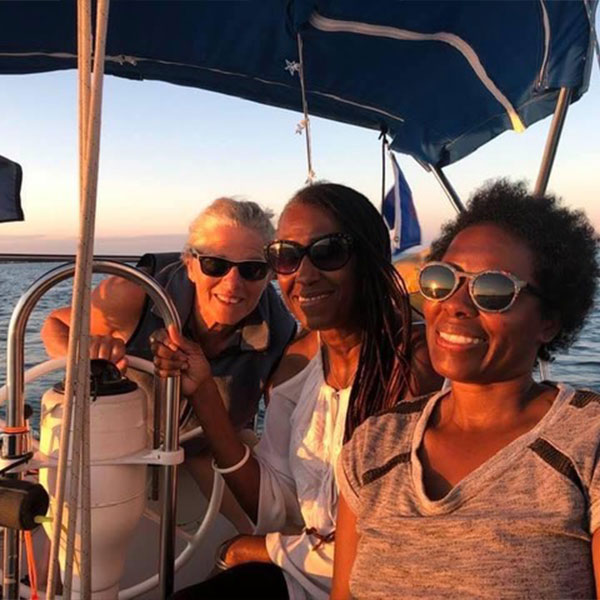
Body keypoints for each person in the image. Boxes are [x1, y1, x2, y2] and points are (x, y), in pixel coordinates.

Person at [152, 182, 442, 599]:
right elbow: (275, 505)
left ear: (370, 258)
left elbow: (399, 539)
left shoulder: (417, 362)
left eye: (328, 252)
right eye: (285, 256)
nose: (303, 274)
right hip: (303, 575)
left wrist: (266, 548)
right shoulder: (295, 367)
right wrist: (203, 392)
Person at [332, 179, 600, 599]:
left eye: (493, 290)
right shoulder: (375, 444)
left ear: (548, 321)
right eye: (443, 279)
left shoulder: (588, 443)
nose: (455, 303)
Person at [41, 197, 297, 532]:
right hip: (124, 447)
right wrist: (85, 356)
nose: (233, 284)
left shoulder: (279, 330)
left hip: (210, 447)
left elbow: (285, 420)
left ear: (270, 275)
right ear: (190, 264)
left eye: (251, 269)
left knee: (284, 527)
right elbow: (55, 327)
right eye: (215, 266)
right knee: (71, 549)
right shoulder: (133, 295)